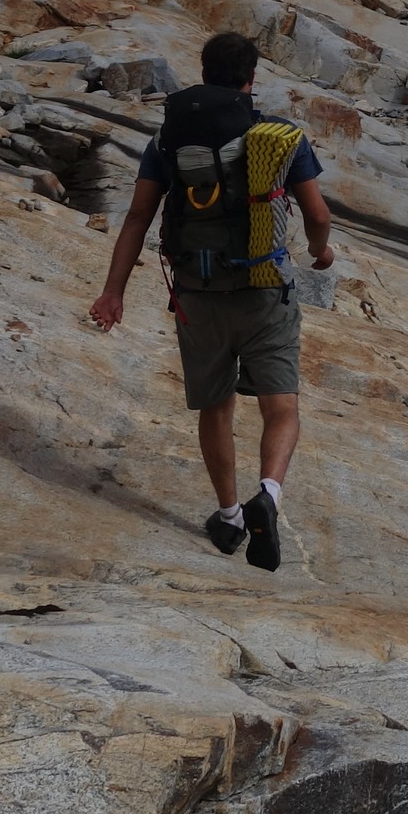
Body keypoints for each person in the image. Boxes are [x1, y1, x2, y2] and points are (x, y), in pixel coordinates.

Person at [89, 30, 333, 572]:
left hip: (197, 293)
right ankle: (268, 494)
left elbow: (139, 217)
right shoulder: (277, 136)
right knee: (280, 406)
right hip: (264, 289)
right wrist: (321, 251)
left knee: (216, 405)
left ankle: (229, 516)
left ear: (203, 73)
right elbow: (317, 216)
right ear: (251, 79)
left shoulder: (169, 139)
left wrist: (113, 292)